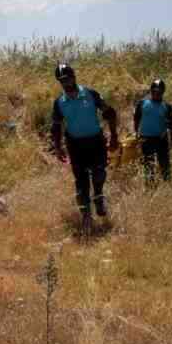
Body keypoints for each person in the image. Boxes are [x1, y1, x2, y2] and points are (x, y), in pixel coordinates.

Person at [50, 63, 119, 226]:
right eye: (62, 81)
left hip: (96, 142)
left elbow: (109, 113)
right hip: (75, 145)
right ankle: (86, 217)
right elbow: (56, 126)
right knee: (81, 182)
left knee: (98, 175)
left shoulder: (90, 94)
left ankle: (99, 198)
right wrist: (58, 147)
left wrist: (114, 136)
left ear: (74, 77)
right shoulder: (59, 102)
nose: (65, 83)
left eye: (67, 79)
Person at [134, 79, 172, 187]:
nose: (156, 94)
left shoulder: (167, 106)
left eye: (159, 92)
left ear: (163, 92)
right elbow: (137, 119)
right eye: (154, 91)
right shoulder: (142, 103)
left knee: (164, 164)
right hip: (146, 139)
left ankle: (168, 185)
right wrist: (136, 134)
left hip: (161, 139)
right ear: (151, 91)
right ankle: (150, 187)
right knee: (148, 164)